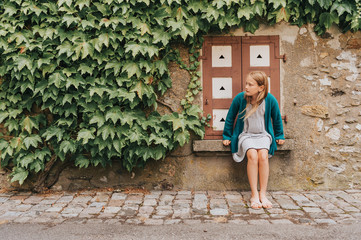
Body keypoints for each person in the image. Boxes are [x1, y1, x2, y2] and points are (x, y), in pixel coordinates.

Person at [222, 71, 285, 209]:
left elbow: (277, 118)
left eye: (250, 84)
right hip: (246, 134)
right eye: (246, 83)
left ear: (261, 87)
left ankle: (263, 194)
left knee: (263, 156)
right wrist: (227, 136)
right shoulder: (240, 98)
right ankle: (254, 194)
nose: (246, 87)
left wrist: (279, 135)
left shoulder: (270, 100)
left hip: (263, 134)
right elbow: (230, 117)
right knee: (252, 155)